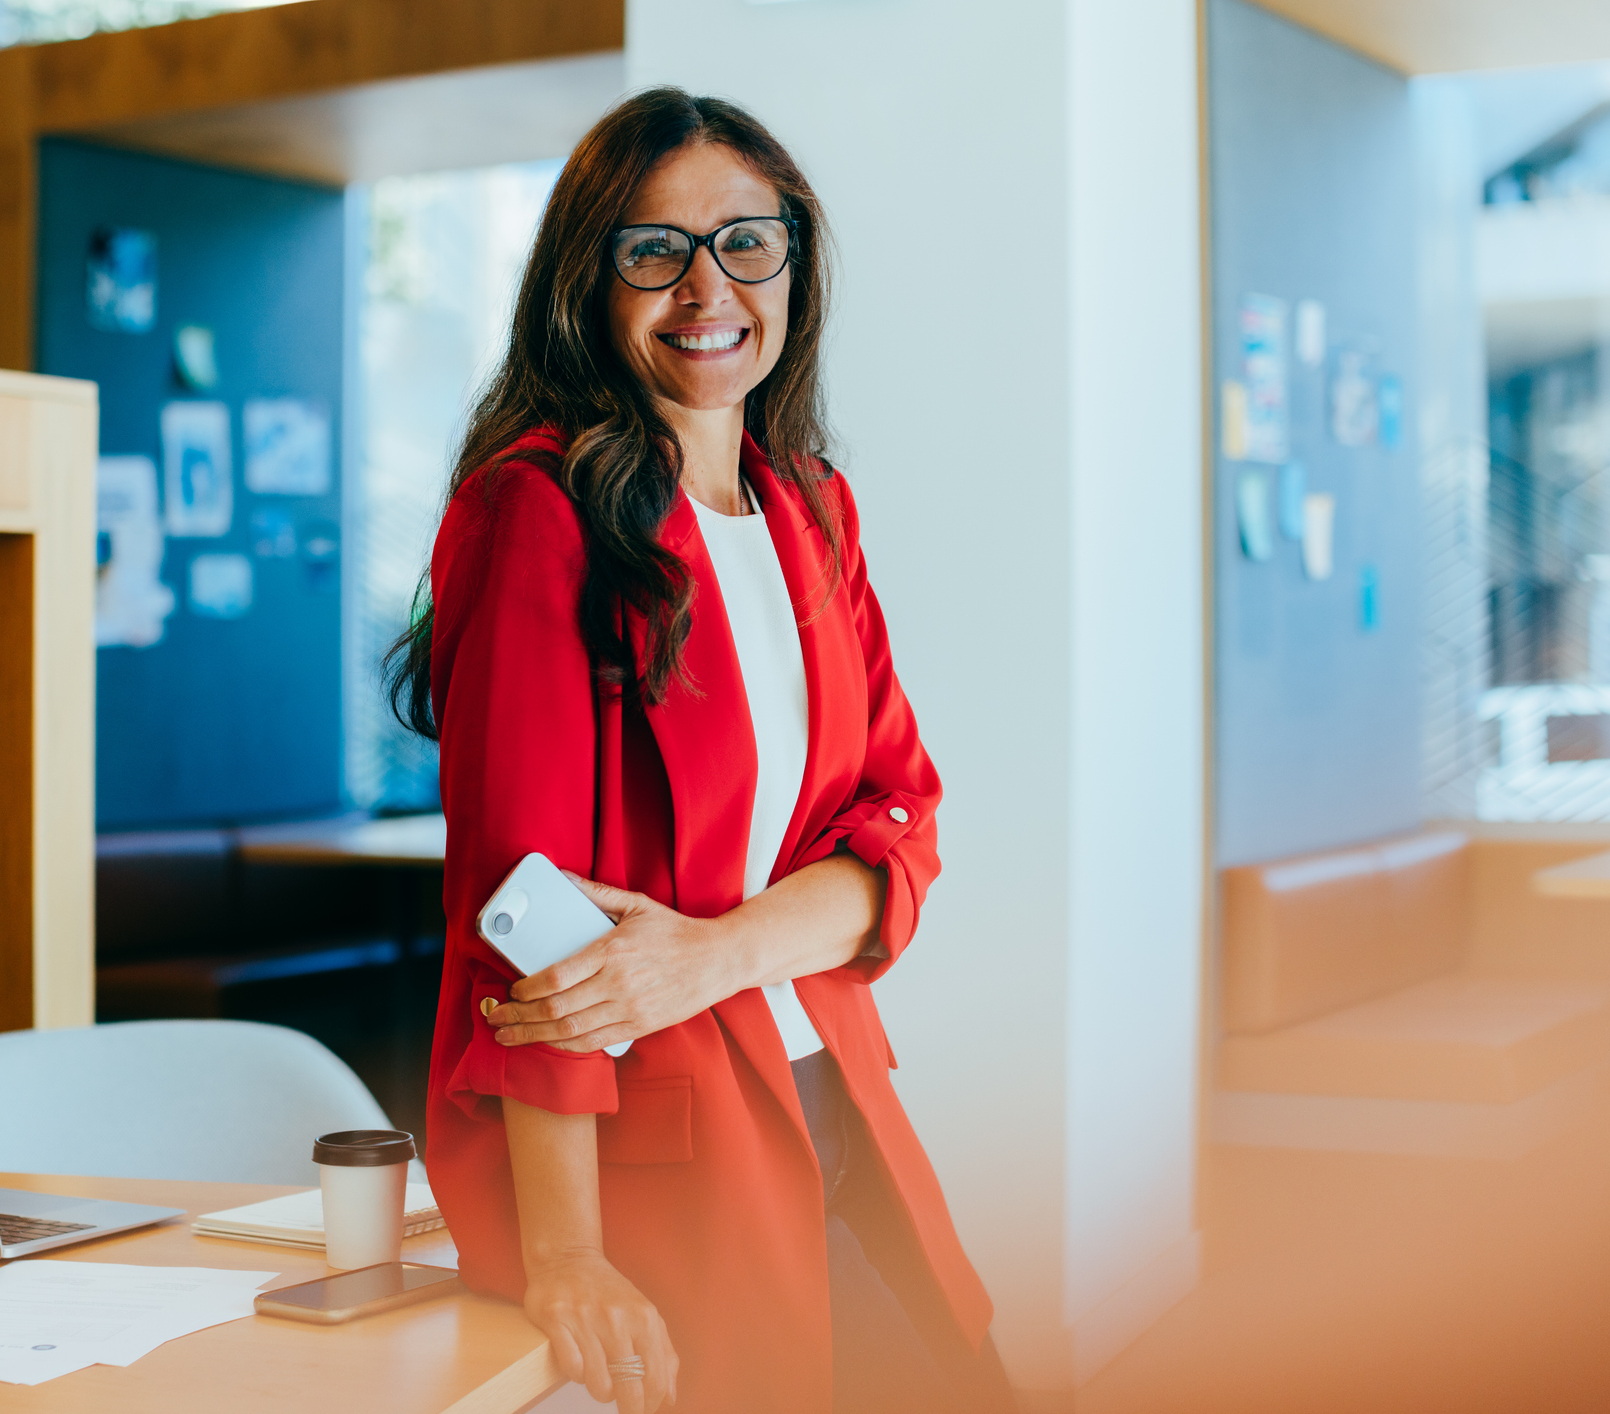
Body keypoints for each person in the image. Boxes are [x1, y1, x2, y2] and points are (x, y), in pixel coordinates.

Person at [390, 87, 1014, 1414]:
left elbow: (903, 820)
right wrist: (567, 1253)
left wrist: (718, 950)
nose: (704, 286)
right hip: (652, 1148)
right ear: (589, 281)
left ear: (790, 259)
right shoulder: (541, 508)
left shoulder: (814, 508)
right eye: (652, 250)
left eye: (745, 241)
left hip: (836, 1088)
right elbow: (528, 908)